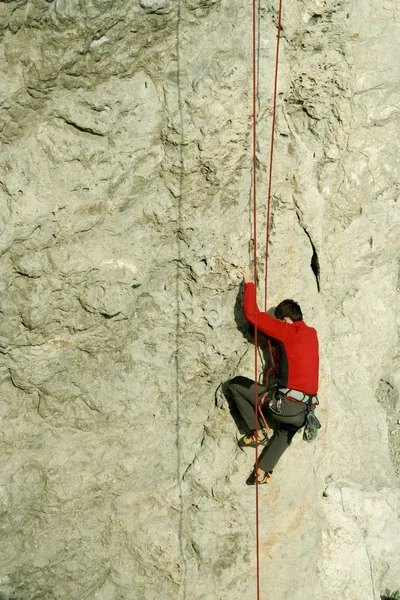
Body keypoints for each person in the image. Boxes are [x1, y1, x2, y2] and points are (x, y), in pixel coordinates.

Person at [228, 266, 319, 485]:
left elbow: (252, 315)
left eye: (279, 321)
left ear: (286, 320)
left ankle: (256, 431)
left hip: (285, 407)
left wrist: (248, 281)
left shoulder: (287, 331)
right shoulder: (312, 334)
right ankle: (263, 471)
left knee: (236, 385)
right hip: (305, 413)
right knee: (285, 433)